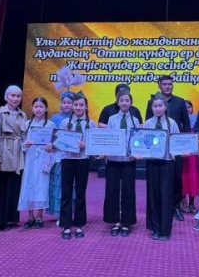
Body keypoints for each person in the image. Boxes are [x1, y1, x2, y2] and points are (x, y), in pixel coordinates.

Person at [145, 75, 190, 222]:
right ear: (159, 85)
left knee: (176, 179)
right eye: (164, 84)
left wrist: (186, 146)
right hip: (155, 152)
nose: (167, 86)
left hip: (175, 150)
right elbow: (146, 128)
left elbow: (186, 124)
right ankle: (160, 208)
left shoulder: (180, 102)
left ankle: (176, 207)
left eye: (170, 84)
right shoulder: (151, 102)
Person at [0, 85, 26, 232]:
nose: (15, 98)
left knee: (12, 186)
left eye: (18, 96)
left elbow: (24, 135)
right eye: (12, 95)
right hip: (3, 152)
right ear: (6, 97)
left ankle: (9, 218)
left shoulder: (22, 115)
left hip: (17, 153)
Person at [52, 92, 95, 239]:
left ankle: (79, 224)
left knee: (81, 192)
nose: (78, 107)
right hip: (67, 159)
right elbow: (59, 142)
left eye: (81, 105)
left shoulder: (91, 123)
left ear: (86, 107)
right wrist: (55, 145)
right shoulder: (65, 123)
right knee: (66, 192)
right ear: (72, 106)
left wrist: (86, 145)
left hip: (83, 159)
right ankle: (65, 224)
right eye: (75, 104)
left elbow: (93, 145)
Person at [142, 94, 180, 241]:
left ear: (165, 107)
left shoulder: (172, 123)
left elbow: (177, 142)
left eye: (160, 106)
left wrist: (182, 150)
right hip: (152, 162)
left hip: (167, 163)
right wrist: (139, 151)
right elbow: (143, 143)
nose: (158, 109)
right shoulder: (147, 124)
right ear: (151, 108)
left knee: (166, 195)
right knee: (153, 195)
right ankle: (155, 228)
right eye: (155, 106)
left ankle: (165, 230)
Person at [102, 89, 139, 237]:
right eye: (121, 100)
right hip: (113, 160)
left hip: (129, 161)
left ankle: (126, 222)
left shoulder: (135, 120)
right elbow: (108, 138)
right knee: (112, 190)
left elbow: (137, 140)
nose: (124, 103)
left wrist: (137, 151)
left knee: (128, 191)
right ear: (117, 102)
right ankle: (115, 221)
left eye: (127, 100)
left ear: (131, 102)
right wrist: (104, 151)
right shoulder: (111, 119)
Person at [19, 97, 55, 229]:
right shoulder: (26, 124)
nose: (38, 109)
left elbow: (54, 143)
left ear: (46, 108)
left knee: (42, 186)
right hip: (30, 158)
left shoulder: (50, 125)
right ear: (32, 108)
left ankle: (39, 216)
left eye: (41, 107)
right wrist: (25, 144)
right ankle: (30, 216)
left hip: (44, 158)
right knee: (29, 184)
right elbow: (21, 142)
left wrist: (51, 146)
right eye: (36, 107)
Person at [47, 91, 73, 221]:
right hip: (58, 156)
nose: (67, 105)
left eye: (69, 102)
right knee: (59, 184)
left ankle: (70, 212)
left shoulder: (77, 118)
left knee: (71, 185)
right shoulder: (54, 118)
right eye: (64, 102)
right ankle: (59, 213)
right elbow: (51, 136)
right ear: (61, 104)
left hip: (72, 155)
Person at [181, 99, 199, 215]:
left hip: (194, 155)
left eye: (189, 107)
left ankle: (192, 203)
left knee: (193, 177)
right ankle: (183, 202)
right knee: (183, 177)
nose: (187, 109)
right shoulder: (178, 119)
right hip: (183, 153)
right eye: (185, 107)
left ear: (192, 109)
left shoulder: (197, 118)